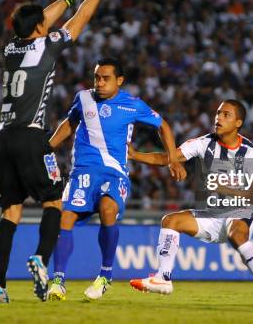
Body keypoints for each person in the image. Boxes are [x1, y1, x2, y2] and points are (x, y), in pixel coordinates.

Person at [0, 0, 129, 303]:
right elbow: (79, 21)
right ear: (40, 31)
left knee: (11, 212)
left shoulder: (10, 49)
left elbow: (37, 21)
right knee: (54, 203)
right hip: (32, 136)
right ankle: (40, 258)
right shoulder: (46, 46)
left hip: (2, 139)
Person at [47, 57, 186, 301]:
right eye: (97, 78)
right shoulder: (83, 98)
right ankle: (57, 280)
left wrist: (173, 158)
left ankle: (105, 276)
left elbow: (162, 125)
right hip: (83, 171)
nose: (100, 83)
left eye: (106, 78)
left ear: (119, 81)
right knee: (65, 218)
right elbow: (69, 124)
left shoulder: (133, 105)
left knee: (107, 208)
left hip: (115, 172)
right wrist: (46, 148)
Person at [128, 100, 253, 306]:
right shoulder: (203, 143)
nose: (219, 118)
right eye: (218, 113)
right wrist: (136, 155)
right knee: (171, 221)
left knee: (237, 234)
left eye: (226, 114)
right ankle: (163, 278)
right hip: (212, 214)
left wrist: (223, 187)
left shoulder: (251, 152)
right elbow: (170, 157)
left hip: (241, 213)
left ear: (238, 123)